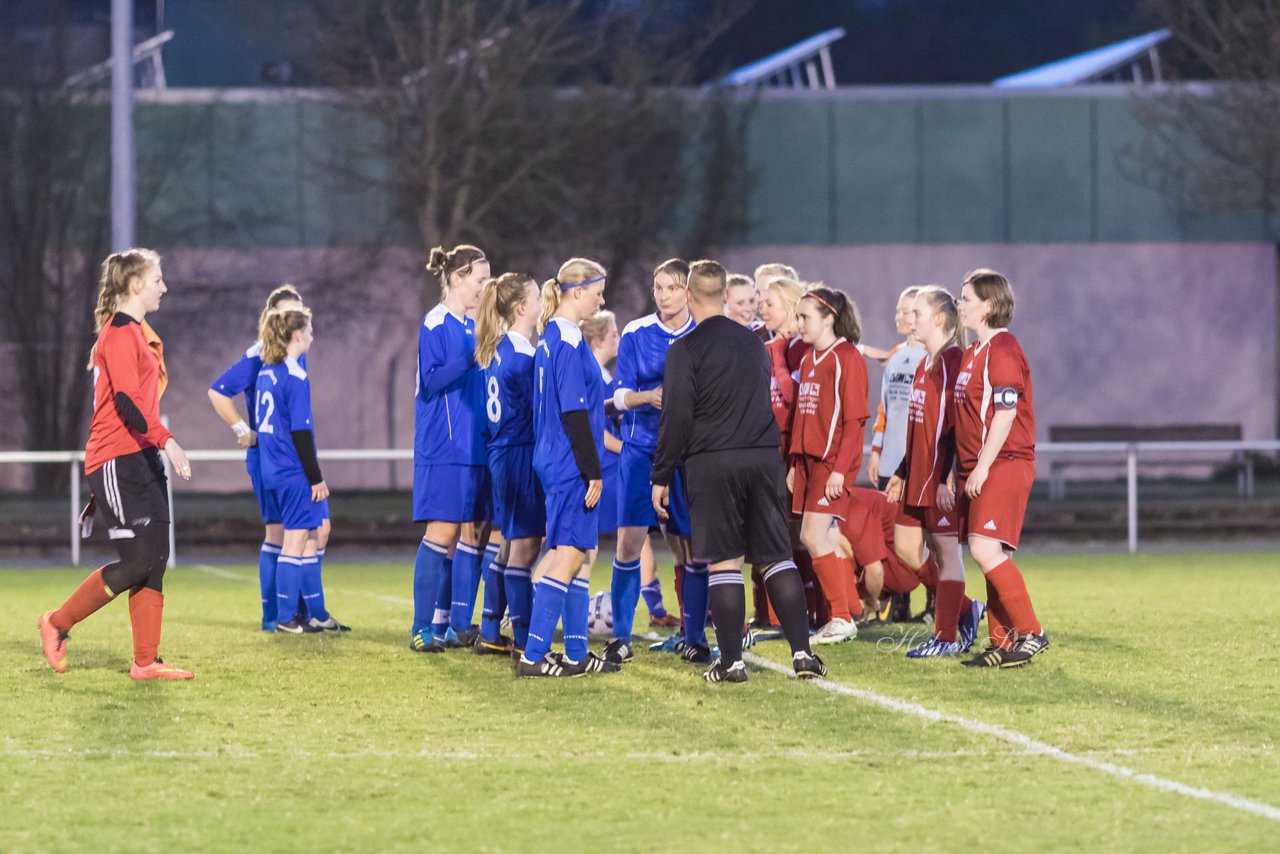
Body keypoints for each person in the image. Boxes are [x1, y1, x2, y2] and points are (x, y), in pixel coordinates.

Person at [652, 259, 826, 684]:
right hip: (763, 455)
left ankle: (731, 662)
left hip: (714, 461)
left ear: (690, 297)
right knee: (775, 557)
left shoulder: (684, 349)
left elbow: (676, 416)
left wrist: (660, 474)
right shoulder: (753, 345)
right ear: (726, 296)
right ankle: (803, 654)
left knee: (724, 562)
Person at [38, 249, 195, 679]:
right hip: (116, 458)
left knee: (155, 556)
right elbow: (125, 403)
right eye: (158, 279)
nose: (164, 286)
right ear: (136, 284)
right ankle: (57, 623)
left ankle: (145, 661)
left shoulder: (137, 332)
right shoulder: (120, 334)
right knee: (137, 560)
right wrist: (168, 441)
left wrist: (156, 445)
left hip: (139, 455)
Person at [516, 258, 619, 677]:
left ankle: (576, 654)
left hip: (556, 457)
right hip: (569, 461)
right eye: (598, 291)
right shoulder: (569, 338)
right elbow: (574, 411)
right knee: (568, 553)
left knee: (580, 554)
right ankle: (533, 656)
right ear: (579, 291)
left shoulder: (552, 336)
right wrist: (592, 470)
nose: (602, 298)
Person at [608, 259, 705, 666]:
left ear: (688, 292)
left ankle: (695, 636)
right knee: (629, 542)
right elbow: (617, 396)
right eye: (658, 287)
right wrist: (647, 397)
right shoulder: (636, 332)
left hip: (686, 454)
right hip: (639, 450)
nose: (663, 295)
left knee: (690, 547)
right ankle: (620, 636)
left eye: (671, 288)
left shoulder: (702, 333)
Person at [953, 269, 1048, 668]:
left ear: (988, 305)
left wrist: (982, 468)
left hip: (1004, 462)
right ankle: (1001, 642)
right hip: (982, 464)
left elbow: (1005, 415)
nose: (960, 304)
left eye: (966, 298)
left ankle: (1032, 632)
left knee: (984, 549)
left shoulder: (1003, 348)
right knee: (990, 553)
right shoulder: (975, 351)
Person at [208, 285, 315, 632]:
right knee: (278, 534)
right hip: (270, 457)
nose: (291, 320)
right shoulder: (258, 356)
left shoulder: (291, 356)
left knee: (304, 533)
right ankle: (276, 617)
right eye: (284, 314)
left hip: (284, 457)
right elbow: (218, 391)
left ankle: (301, 612)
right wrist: (243, 428)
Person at [885, 286, 982, 655]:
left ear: (939, 319)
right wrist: (902, 469)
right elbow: (920, 424)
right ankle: (964, 609)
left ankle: (946, 637)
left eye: (917, 313)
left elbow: (960, 424)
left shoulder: (953, 360)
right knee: (907, 548)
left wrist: (948, 476)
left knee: (946, 553)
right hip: (918, 475)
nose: (910, 320)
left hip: (940, 478)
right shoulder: (925, 361)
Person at [410, 245, 492, 653]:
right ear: (457, 277)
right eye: (479, 280)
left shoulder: (471, 324)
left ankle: (454, 624)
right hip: (443, 447)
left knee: (469, 535)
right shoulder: (436, 322)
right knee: (440, 533)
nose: (483, 288)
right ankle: (421, 628)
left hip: (473, 446)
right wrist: (473, 356)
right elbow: (432, 379)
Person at [580, 311, 675, 629]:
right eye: (613, 333)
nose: (618, 338)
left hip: (611, 466)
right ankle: (543, 601)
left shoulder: (602, 374)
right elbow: (598, 426)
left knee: (633, 538)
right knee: (585, 544)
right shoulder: (595, 375)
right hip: (605, 469)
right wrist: (629, 450)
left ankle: (654, 606)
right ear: (598, 339)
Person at [254, 308, 346, 633]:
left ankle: (301, 615)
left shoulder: (267, 371)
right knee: (294, 542)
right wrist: (316, 477)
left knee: (297, 539)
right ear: (296, 336)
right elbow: (301, 432)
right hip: (292, 470)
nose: (312, 337)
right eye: (308, 331)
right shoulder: (295, 375)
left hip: (271, 469)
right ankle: (286, 618)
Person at [788, 286, 870, 644]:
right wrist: (794, 461)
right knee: (816, 537)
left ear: (829, 318)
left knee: (813, 536)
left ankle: (841, 615)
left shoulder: (846, 357)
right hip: (806, 462)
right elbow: (803, 415)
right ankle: (847, 610)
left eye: (805, 317)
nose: (799, 323)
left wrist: (840, 469)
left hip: (829, 462)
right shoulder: (808, 359)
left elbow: (855, 421)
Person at [473, 272, 544, 657]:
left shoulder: (496, 349)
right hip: (520, 452)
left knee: (510, 543)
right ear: (521, 308)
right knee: (525, 546)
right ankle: (524, 637)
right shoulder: (524, 358)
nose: (540, 304)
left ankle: (489, 628)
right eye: (536, 298)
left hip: (502, 453)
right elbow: (541, 413)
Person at [867, 286, 928, 622]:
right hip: (892, 461)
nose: (900, 317)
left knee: (927, 534)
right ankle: (900, 604)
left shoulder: (932, 357)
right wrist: (876, 451)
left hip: (919, 462)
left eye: (906, 310)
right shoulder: (896, 355)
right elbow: (885, 408)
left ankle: (935, 604)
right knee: (894, 533)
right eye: (897, 311)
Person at [750, 262, 798, 340]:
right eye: (758, 293)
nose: (760, 299)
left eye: (767, 291)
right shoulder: (756, 338)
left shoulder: (810, 336)